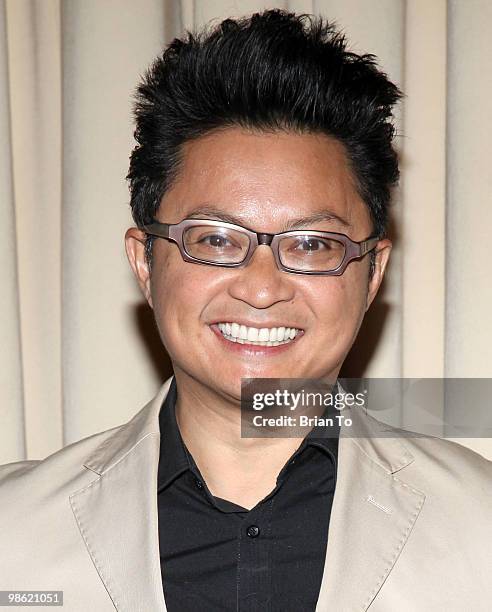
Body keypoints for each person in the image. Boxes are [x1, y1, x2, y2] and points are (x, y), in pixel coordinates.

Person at [0, 9, 490, 612]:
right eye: (215, 239)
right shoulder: (13, 532)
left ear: (372, 275)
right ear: (146, 263)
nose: (261, 289)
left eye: (312, 245)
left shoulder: (480, 526)